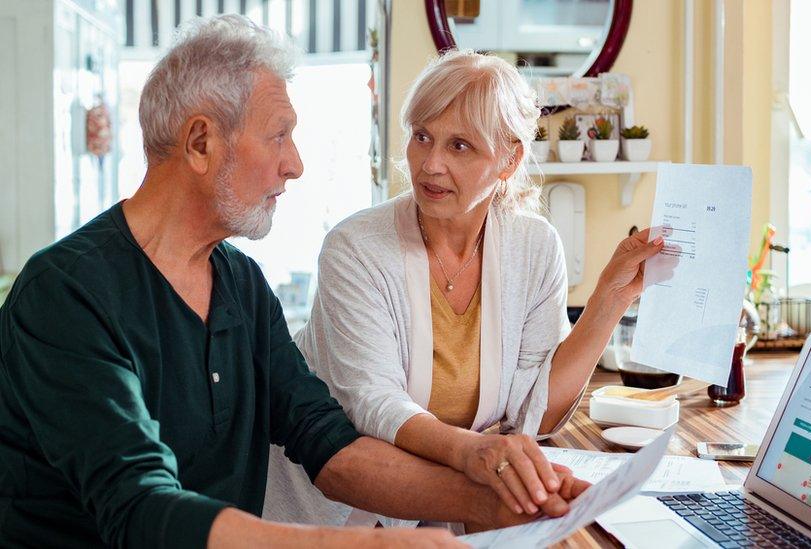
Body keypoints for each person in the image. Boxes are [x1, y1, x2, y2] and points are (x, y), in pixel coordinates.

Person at [0, 17, 588, 548]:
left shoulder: (240, 284)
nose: (296, 163)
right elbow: (137, 508)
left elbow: (328, 443)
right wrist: (364, 546)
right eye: (279, 135)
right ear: (202, 143)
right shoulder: (66, 292)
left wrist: (500, 501)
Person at [265, 50, 675, 527]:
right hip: (332, 518)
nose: (430, 164)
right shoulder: (354, 249)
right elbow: (373, 403)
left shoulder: (534, 247)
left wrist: (612, 296)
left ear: (509, 158)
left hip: (444, 511)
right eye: (422, 137)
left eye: (460, 146)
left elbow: (533, 411)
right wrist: (477, 453)